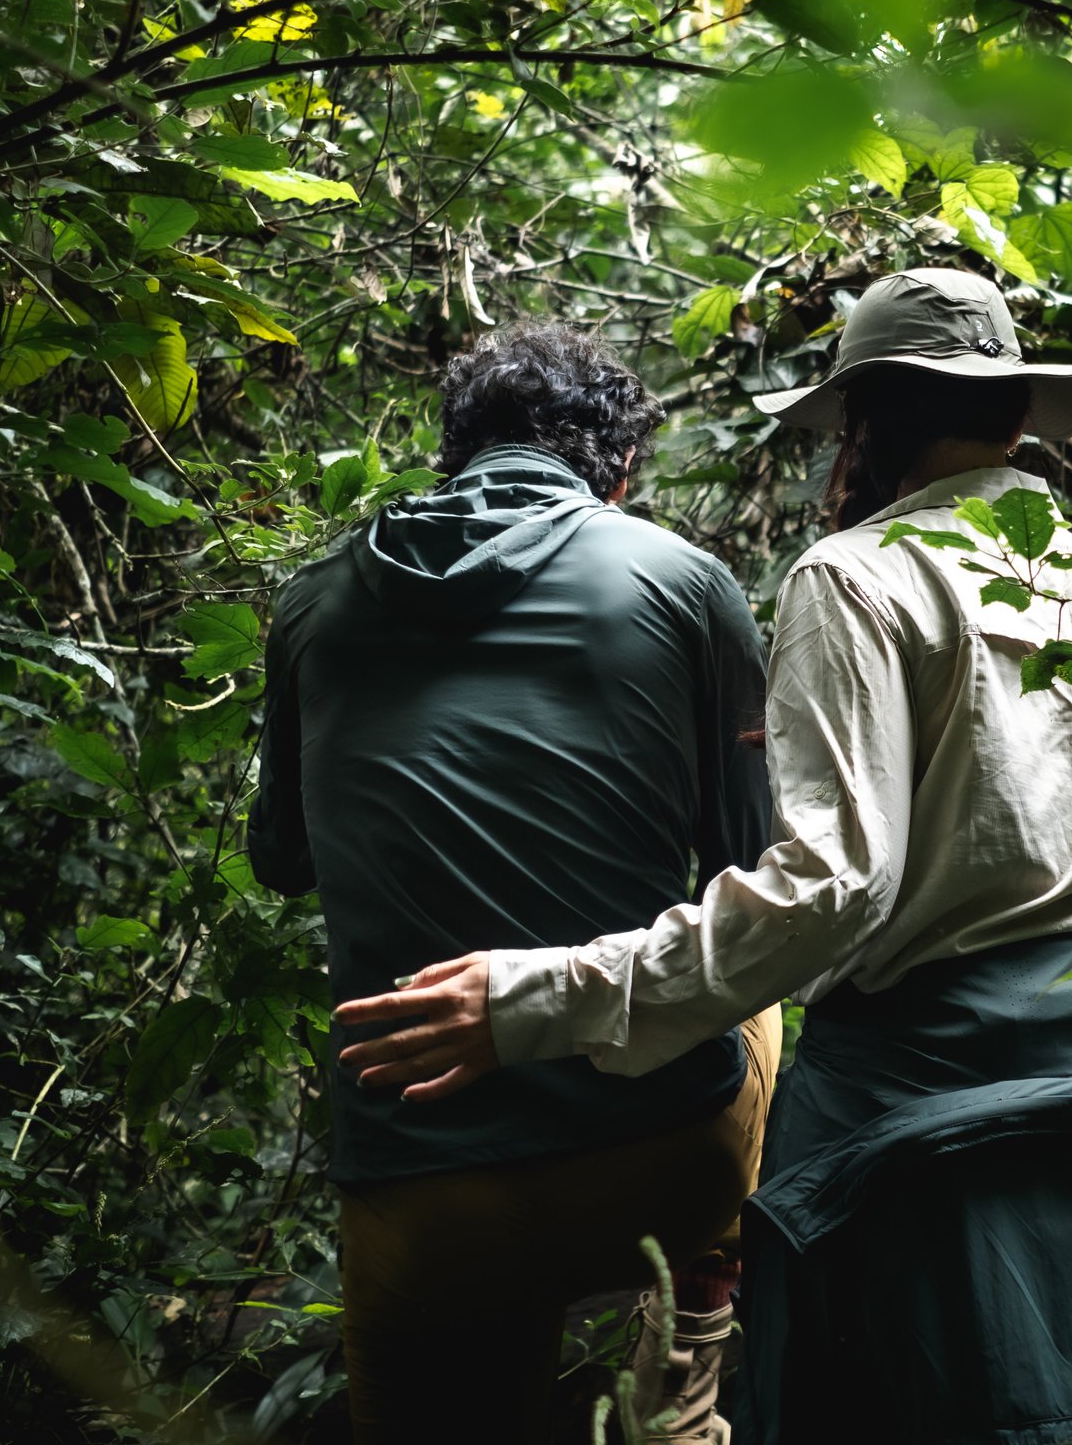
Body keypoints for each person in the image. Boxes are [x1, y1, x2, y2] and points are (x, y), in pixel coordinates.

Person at [335, 269, 1072, 1444]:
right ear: (1011, 416)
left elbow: (834, 888)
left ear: (872, 419)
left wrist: (529, 999)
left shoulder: (855, 576)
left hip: (925, 1079)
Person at [251, 321, 780, 1445]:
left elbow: (282, 860)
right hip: (657, 1142)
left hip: (418, 1178)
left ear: (453, 455)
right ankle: (686, 1353)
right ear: (621, 471)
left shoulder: (309, 599)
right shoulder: (684, 579)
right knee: (761, 968)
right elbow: (754, 860)